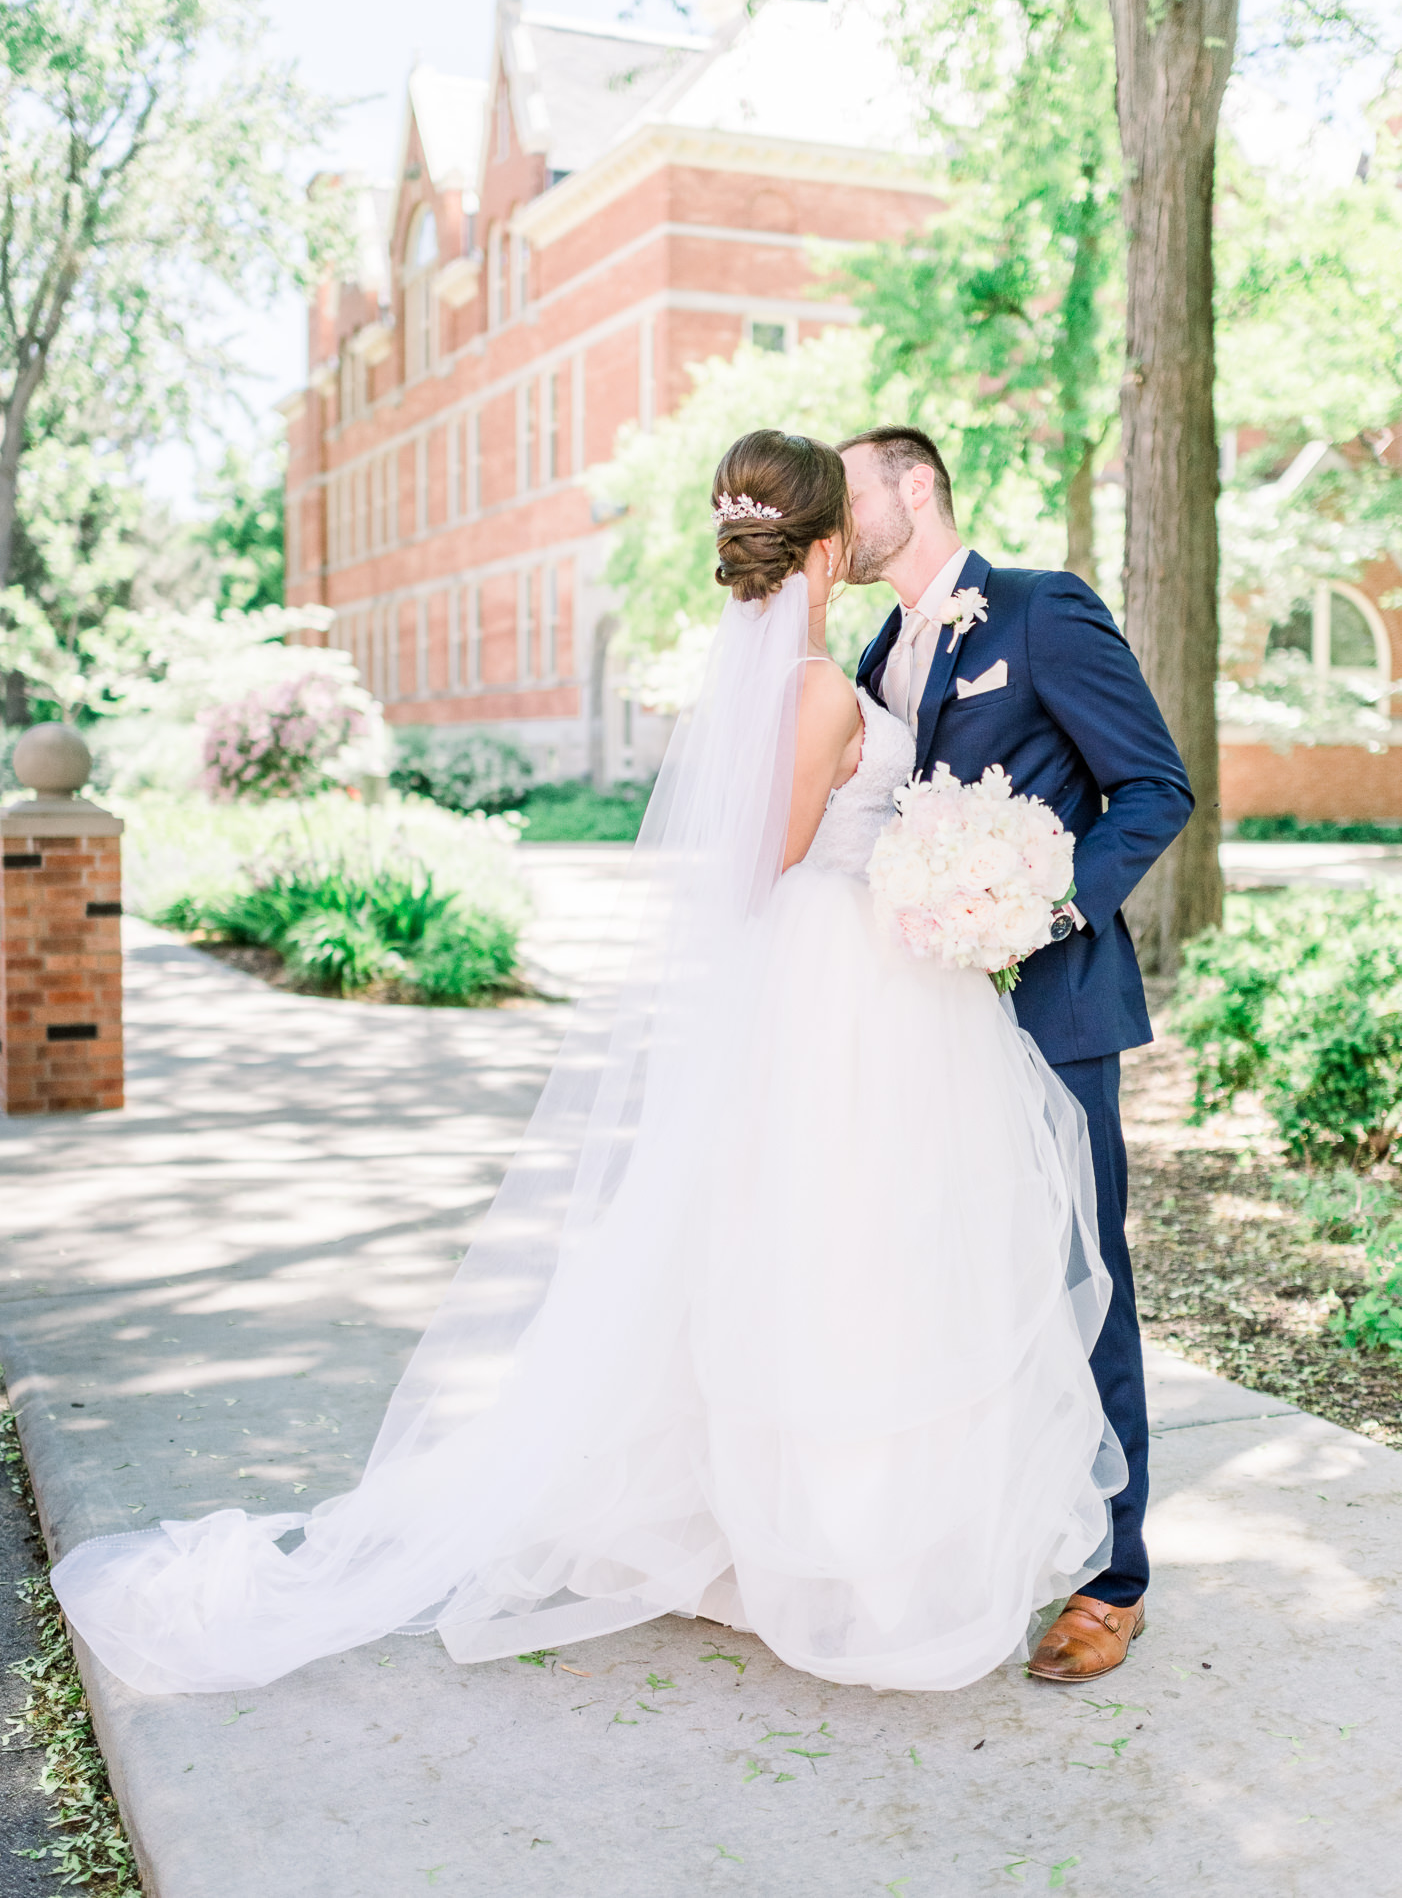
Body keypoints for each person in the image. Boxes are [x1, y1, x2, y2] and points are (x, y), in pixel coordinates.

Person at [53, 429, 1126, 1698]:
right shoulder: (827, 688)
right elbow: (765, 866)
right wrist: (916, 875)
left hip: (869, 974)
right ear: (827, 543)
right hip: (848, 979)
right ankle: (842, 1553)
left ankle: (807, 1535)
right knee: (849, 1257)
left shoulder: (829, 670)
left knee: (831, 1253)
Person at [844, 424, 1193, 1683]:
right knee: (948, 1282)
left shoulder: (1042, 611)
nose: (833, 514)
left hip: (1051, 1008)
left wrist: (1038, 905)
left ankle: (1113, 1576)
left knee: (1080, 1278)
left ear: (915, 486)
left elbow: (1153, 788)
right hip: (918, 1023)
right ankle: (979, 1536)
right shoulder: (876, 654)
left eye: (850, 488)